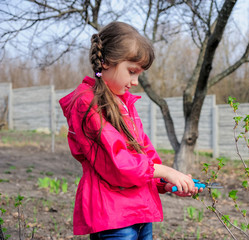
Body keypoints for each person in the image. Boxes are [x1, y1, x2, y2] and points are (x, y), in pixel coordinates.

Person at [59, 21, 201, 240]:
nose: (135, 82)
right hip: (113, 216)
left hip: (140, 211)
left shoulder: (124, 103)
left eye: (139, 74)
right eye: (132, 71)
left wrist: (166, 183)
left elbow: (144, 153)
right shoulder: (86, 104)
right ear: (105, 62)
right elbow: (118, 163)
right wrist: (166, 171)